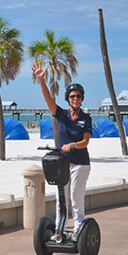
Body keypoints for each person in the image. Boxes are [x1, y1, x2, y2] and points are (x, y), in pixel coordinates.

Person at [33, 63, 91, 238]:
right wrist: (41, 80)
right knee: (61, 199)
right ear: (68, 98)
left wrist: (72, 145)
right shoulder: (62, 115)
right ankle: (60, 230)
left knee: (76, 198)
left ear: (82, 99)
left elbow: (85, 142)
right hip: (62, 163)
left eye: (78, 96)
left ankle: (79, 230)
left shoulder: (86, 119)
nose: (75, 99)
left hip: (80, 164)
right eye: (72, 96)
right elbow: (48, 100)